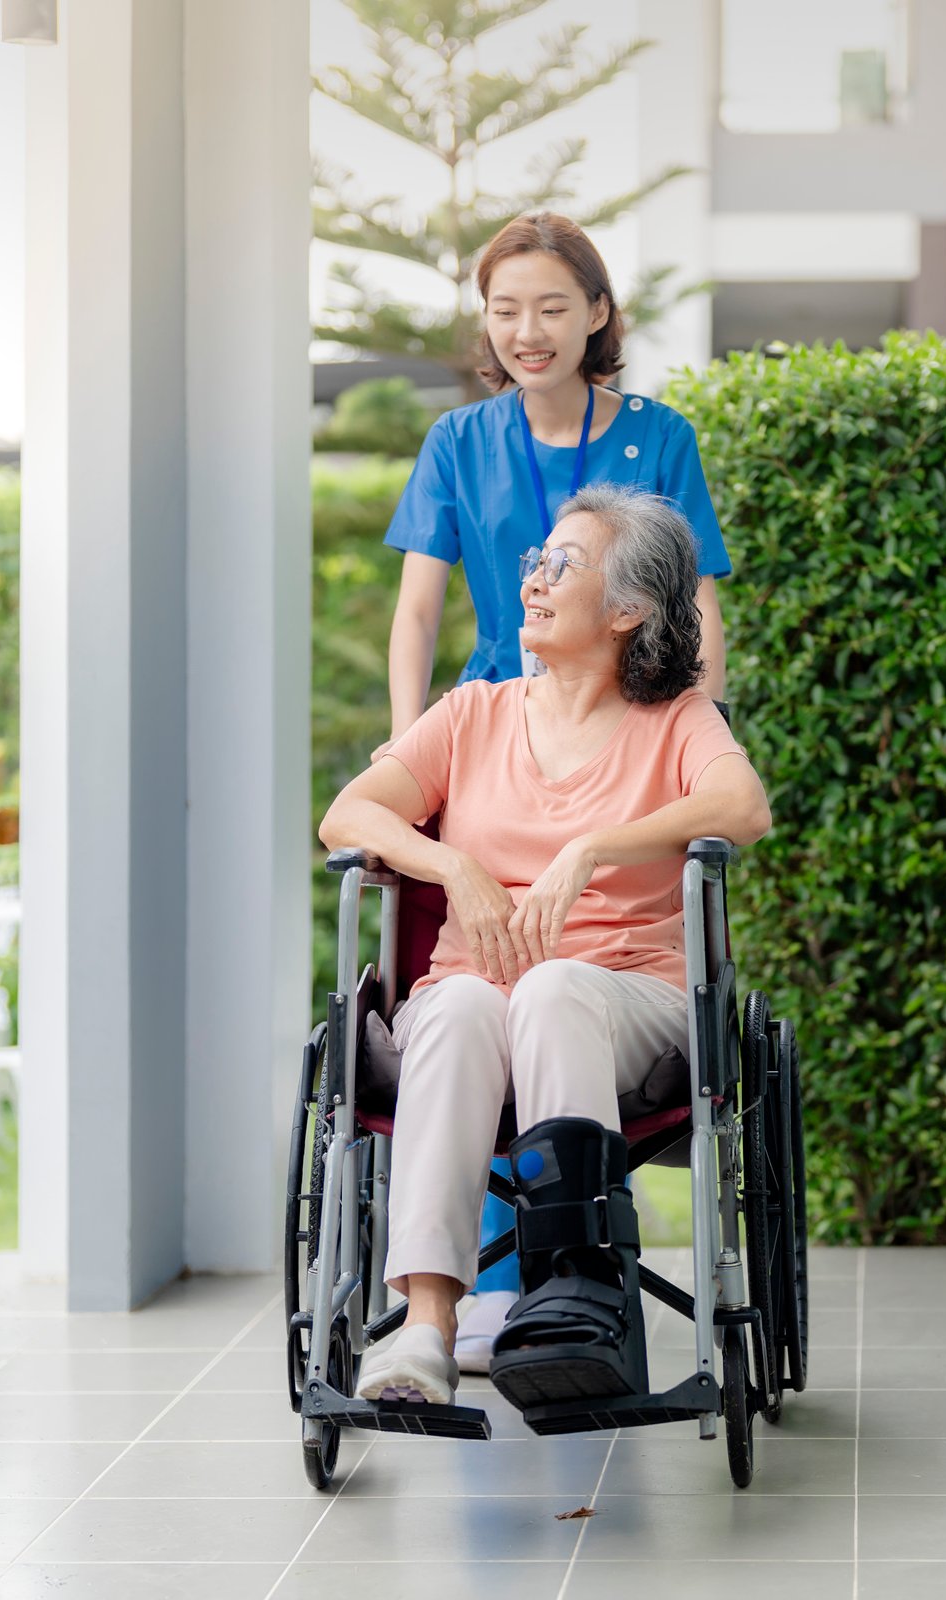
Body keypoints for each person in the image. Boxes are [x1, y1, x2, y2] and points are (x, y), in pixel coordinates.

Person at [321, 485, 770, 1407]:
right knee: (454, 1006)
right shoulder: (472, 714)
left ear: (628, 609)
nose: (534, 578)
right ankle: (427, 1331)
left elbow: (743, 808)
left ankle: (580, 1293)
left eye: (563, 563)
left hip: (626, 1000)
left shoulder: (676, 720)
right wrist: (453, 865)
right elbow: (350, 813)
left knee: (555, 988)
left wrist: (593, 847)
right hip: (479, 997)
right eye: (536, 560)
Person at [380, 210, 734, 1369]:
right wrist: (411, 775)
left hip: (622, 706)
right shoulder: (460, 441)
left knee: (572, 978)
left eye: (549, 306)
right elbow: (420, 609)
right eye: (504, 310)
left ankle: (573, 1280)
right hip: (497, 725)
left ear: (597, 313)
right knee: (477, 994)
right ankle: (485, 1294)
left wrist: (678, 720)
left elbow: (699, 605)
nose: (526, 330)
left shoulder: (655, 437)